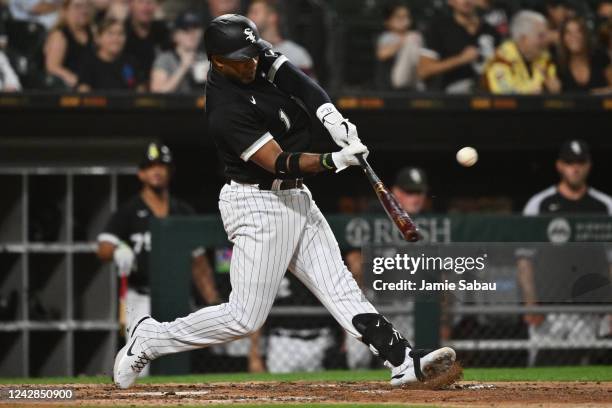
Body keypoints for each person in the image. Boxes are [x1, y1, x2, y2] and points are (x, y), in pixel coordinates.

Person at [112, 14, 456, 389]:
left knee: (339, 285)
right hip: (258, 205)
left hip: (295, 197)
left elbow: (301, 83)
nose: (253, 63)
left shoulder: (252, 57)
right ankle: (151, 337)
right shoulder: (226, 110)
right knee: (244, 318)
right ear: (217, 61)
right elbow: (278, 162)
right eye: (243, 59)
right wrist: (333, 159)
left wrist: (331, 117)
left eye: (254, 54)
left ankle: (403, 360)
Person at [97, 142, 220, 340]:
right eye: (151, 166)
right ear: (141, 173)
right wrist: (118, 250)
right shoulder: (128, 211)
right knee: (140, 362)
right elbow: (103, 248)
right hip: (139, 297)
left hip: (176, 297)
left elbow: (199, 264)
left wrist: (213, 301)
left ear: (170, 172)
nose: (157, 171)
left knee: (175, 360)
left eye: (162, 166)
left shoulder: (182, 212)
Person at [519, 139, 612, 365]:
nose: (575, 167)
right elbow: (524, 260)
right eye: (570, 162)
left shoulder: (605, 206)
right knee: (541, 370)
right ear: (560, 165)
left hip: (590, 309)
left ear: (589, 165)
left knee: (588, 375)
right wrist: (531, 302)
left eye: (580, 162)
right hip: (549, 309)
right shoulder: (539, 204)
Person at [345, 166, 430, 369]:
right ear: (396, 192)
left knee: (411, 360)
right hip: (372, 302)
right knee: (357, 360)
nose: (416, 198)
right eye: (410, 192)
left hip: (406, 306)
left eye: (419, 192)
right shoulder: (375, 216)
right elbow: (354, 261)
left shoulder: (428, 222)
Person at [418, 0, 499, 93]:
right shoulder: (438, 28)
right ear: (450, 2)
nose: (466, 1)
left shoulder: (491, 31)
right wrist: (460, 59)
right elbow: (423, 71)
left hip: (490, 93)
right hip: (452, 95)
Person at [483, 10, 560, 94]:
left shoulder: (546, 59)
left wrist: (553, 89)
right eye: (540, 36)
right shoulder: (499, 60)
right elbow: (505, 95)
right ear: (523, 39)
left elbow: (551, 86)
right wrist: (542, 90)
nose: (546, 40)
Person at [247, 0, 314, 77]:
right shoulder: (247, 53)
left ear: (272, 17)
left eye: (255, 12)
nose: (249, 17)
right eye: (249, 12)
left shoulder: (296, 54)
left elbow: (308, 87)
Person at [77, 17, 143, 91]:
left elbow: (140, 92)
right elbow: (83, 93)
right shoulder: (88, 63)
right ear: (98, 38)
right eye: (110, 33)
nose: (116, 38)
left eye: (120, 33)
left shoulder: (131, 62)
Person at [150, 11, 208, 93]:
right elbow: (157, 94)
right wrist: (183, 68)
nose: (192, 33)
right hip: (173, 105)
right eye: (186, 30)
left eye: (195, 28)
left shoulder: (206, 59)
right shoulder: (165, 59)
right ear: (175, 36)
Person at [44, 0, 93, 89]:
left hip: (92, 84)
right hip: (68, 89)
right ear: (65, 10)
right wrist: (77, 82)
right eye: (77, 7)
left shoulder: (92, 32)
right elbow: (52, 67)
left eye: (87, 6)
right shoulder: (60, 35)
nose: (84, 11)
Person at [556, 17, 612, 94]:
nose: (574, 36)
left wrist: (597, 94)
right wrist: (554, 92)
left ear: (586, 35)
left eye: (578, 31)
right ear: (563, 38)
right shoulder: (557, 64)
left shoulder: (600, 56)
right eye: (568, 32)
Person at [374, 2, 422, 90]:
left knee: (415, 37)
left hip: (414, 76)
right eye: (399, 17)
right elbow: (382, 55)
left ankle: (421, 80)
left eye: (407, 17)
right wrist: (403, 42)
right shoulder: (387, 36)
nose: (404, 20)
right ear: (388, 21)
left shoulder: (414, 35)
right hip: (396, 79)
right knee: (412, 38)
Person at [123, 0, 169, 85]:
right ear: (130, 5)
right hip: (128, 89)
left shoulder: (163, 31)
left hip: (160, 88)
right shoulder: (121, 32)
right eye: (140, 2)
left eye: (150, 2)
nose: (146, 8)